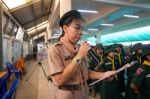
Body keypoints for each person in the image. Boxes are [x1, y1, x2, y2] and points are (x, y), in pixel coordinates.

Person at [48, 10, 115, 99]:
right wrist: (79, 56)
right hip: (67, 95)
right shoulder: (55, 49)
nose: (81, 32)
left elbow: (86, 72)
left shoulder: (79, 48)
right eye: (77, 28)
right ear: (65, 28)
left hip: (84, 92)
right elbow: (59, 80)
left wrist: (103, 75)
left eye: (82, 29)